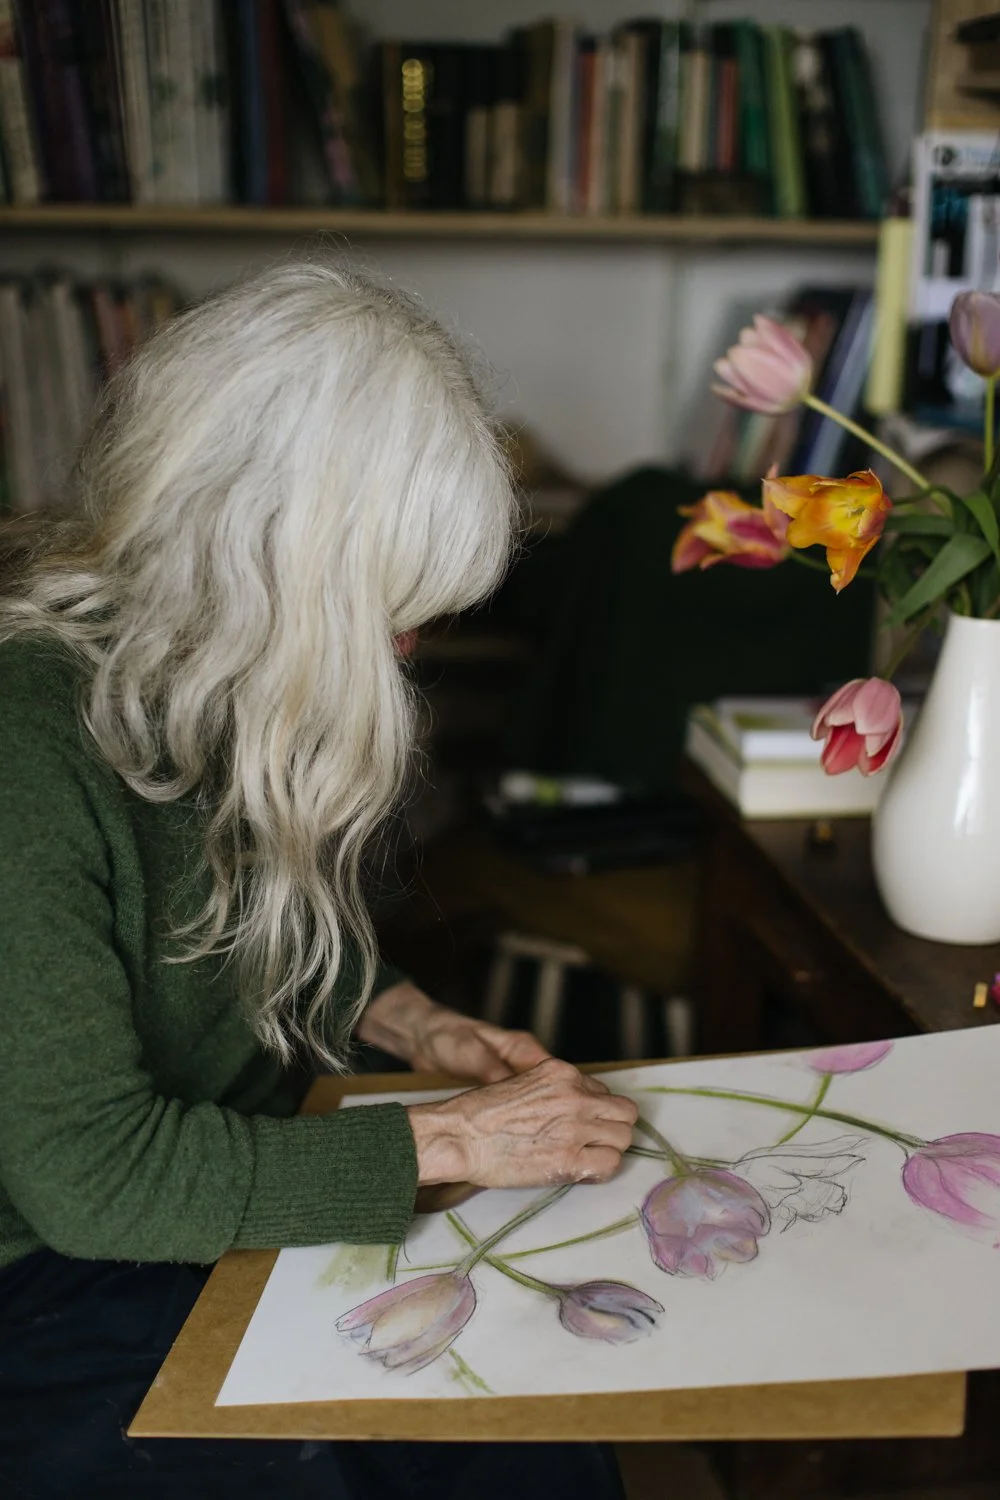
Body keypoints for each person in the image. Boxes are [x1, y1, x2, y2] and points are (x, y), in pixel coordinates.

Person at [0, 262, 637, 1499]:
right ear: (261, 564)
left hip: (214, 1186)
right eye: (384, 606)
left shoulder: (213, 678)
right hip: (46, 1271)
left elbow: (219, 941)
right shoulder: (26, 747)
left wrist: (412, 1020)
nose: (406, 647)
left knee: (536, 1449)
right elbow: (95, 1178)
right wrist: (451, 1139)